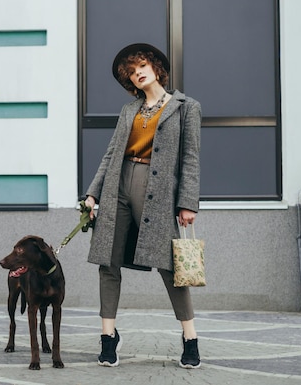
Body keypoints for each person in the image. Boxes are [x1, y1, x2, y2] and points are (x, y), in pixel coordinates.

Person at [83, 43, 202, 369]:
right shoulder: (128, 111)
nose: (137, 71)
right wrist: (92, 193)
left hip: (159, 191)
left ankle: (189, 337)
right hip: (118, 186)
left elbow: (190, 159)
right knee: (108, 262)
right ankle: (108, 337)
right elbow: (111, 155)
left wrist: (188, 202)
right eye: (131, 71)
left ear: (156, 67)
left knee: (170, 267)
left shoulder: (186, 107)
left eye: (141, 65)